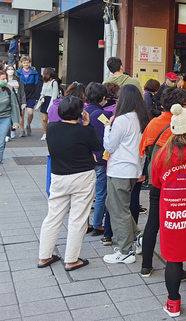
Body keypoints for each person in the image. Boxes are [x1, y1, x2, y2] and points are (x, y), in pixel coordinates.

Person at [151, 104, 186, 317]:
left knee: (173, 259)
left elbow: (156, 183)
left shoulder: (162, 155)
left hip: (172, 217)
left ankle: (173, 303)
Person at [36, 96, 103, 271]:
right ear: (81, 113)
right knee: (78, 218)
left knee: (53, 216)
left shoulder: (51, 128)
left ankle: (44, 256)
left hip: (59, 176)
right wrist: (88, 125)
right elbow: (97, 145)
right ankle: (71, 259)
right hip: (82, 177)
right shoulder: (84, 131)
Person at [139, 87, 186, 278]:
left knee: (153, 222)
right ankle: (177, 268)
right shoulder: (185, 125)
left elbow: (144, 149)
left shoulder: (154, 123)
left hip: (156, 177)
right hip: (178, 180)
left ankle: (146, 265)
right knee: (179, 224)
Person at [102, 84, 150, 264]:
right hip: (134, 169)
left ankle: (125, 251)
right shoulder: (143, 118)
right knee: (117, 206)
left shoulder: (121, 120)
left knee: (118, 209)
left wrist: (107, 129)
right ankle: (138, 237)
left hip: (120, 170)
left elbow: (110, 146)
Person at [85, 83, 113, 238]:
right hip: (102, 159)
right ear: (103, 98)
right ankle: (97, 225)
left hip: (84, 159)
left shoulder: (80, 113)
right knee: (101, 193)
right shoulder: (105, 116)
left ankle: (85, 224)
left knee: (85, 193)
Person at [0, 75, 21, 176]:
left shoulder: (9, 90)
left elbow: (14, 105)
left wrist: (16, 122)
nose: (5, 81)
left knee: (0, 143)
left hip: (5, 118)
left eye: (5, 79)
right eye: (2, 79)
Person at [16, 56, 41, 137]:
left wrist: (37, 97)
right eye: (24, 62)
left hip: (31, 94)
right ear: (22, 63)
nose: (26, 64)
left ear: (30, 63)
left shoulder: (34, 73)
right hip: (21, 94)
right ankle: (22, 129)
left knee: (30, 112)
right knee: (22, 113)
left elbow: (37, 85)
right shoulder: (18, 73)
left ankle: (28, 125)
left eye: (27, 62)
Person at [38, 68, 59, 141]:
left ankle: (51, 133)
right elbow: (42, 93)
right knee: (44, 119)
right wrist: (38, 104)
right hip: (44, 101)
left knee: (51, 119)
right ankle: (45, 133)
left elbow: (54, 94)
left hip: (51, 101)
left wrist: (51, 105)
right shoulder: (44, 82)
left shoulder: (54, 82)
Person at [4, 65, 22, 143]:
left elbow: (22, 91)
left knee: (12, 115)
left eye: (12, 69)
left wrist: (23, 102)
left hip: (15, 99)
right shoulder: (4, 80)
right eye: (9, 69)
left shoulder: (17, 79)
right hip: (5, 103)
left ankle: (11, 130)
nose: (10, 71)